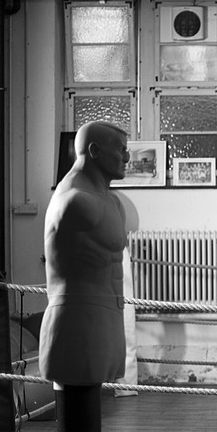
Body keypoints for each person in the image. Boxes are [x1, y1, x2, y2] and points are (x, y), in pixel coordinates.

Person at [39, 121, 130, 389]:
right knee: (77, 414)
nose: (126, 157)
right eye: (121, 150)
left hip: (107, 317)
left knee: (89, 416)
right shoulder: (75, 202)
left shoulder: (111, 201)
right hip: (76, 322)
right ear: (94, 151)